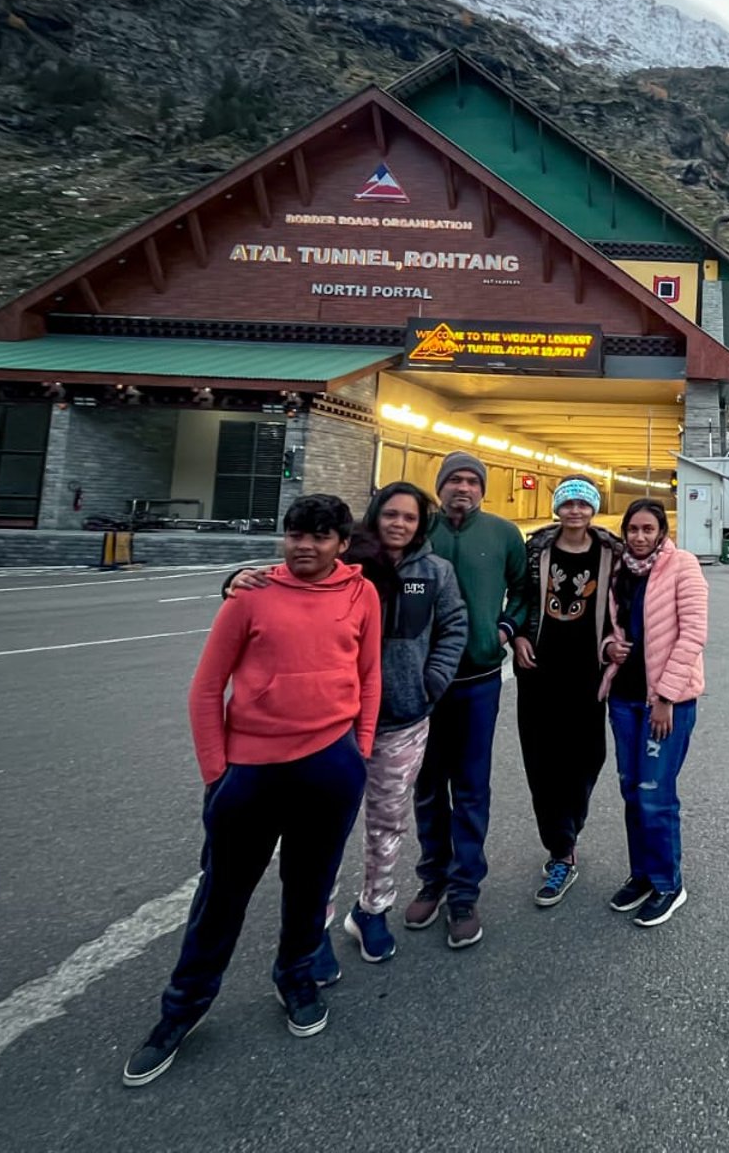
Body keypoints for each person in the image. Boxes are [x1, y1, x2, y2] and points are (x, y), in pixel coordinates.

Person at [122, 494, 380, 1087]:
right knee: (222, 894)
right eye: (295, 535)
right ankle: (181, 1009)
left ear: (342, 544)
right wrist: (217, 773)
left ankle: (295, 978)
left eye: (319, 537)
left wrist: (359, 750)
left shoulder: (361, 594)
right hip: (251, 770)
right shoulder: (251, 595)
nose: (304, 546)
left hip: (331, 764)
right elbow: (206, 687)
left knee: (309, 885)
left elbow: (369, 675)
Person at [220, 482, 470, 970]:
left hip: (402, 719)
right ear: (375, 516)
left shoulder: (436, 572)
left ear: (422, 524)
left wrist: (433, 680)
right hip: (335, 723)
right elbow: (285, 584)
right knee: (321, 830)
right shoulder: (345, 563)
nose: (399, 524)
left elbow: (453, 626)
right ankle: (313, 925)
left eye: (410, 517)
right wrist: (236, 578)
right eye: (391, 514)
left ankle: (373, 909)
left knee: (387, 823)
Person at [405, 451, 529, 950]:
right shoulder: (418, 530)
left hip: (478, 680)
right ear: (439, 486)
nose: (463, 488)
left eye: (472, 481)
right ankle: (432, 878)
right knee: (428, 785)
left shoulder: (503, 534)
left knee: (472, 787)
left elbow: (523, 590)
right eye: (454, 480)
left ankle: (464, 892)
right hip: (420, 685)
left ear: (482, 489)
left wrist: (505, 628)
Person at [513, 478, 622, 907]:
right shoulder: (537, 549)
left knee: (587, 756)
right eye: (568, 503)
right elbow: (520, 596)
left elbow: (623, 605)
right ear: (557, 508)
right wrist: (519, 634)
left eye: (583, 503)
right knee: (542, 761)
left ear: (593, 509)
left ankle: (568, 828)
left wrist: (613, 643)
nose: (575, 510)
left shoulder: (611, 552)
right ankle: (561, 849)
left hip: (587, 672)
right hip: (539, 671)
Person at [599, 499, 707, 929]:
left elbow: (694, 633)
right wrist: (608, 647)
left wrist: (665, 697)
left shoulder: (683, 566)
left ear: (662, 532)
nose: (640, 537)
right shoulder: (619, 570)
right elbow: (607, 628)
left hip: (666, 702)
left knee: (654, 794)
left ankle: (668, 883)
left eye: (648, 529)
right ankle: (642, 874)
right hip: (623, 699)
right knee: (631, 790)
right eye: (633, 529)